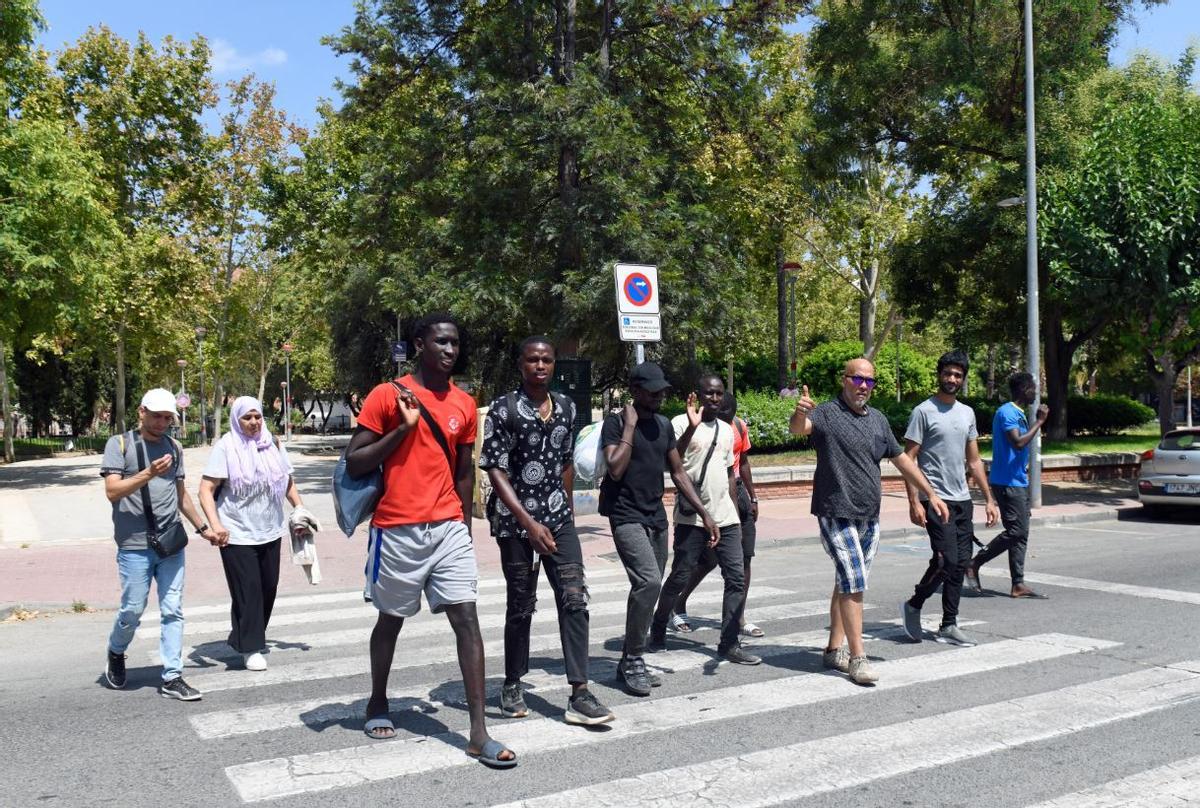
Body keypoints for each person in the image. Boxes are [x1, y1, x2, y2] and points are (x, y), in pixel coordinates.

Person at [344, 312, 516, 768]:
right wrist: (402, 429)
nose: (449, 350)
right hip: (396, 529)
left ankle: (479, 732)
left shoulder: (464, 403)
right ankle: (377, 700)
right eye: (441, 342)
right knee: (391, 620)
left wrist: (463, 523)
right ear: (419, 344)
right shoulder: (388, 394)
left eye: (455, 343)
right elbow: (357, 460)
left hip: (447, 529)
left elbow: (462, 469)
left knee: (467, 619)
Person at [479, 336, 614, 726]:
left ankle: (580, 692)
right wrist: (528, 523)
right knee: (521, 604)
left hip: (557, 518)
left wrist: (566, 513)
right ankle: (511, 683)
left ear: (554, 365)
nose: (540, 366)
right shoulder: (503, 410)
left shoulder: (568, 407)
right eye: (533, 360)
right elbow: (495, 469)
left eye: (547, 360)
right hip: (515, 523)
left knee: (575, 597)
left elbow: (566, 463)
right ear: (520, 364)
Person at [790, 359, 948, 685]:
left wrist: (930, 494)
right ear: (844, 380)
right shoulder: (827, 413)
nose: (863, 386)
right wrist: (801, 411)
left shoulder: (877, 420)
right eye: (857, 379)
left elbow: (902, 459)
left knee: (847, 581)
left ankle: (834, 649)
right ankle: (857, 658)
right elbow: (798, 429)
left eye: (869, 381)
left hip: (869, 516)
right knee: (855, 581)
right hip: (835, 512)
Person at [600, 361, 717, 696]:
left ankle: (628, 660)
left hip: (655, 515)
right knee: (648, 581)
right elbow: (616, 469)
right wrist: (629, 428)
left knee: (647, 587)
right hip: (625, 515)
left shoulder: (665, 425)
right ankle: (635, 658)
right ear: (635, 391)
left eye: (662, 391)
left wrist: (704, 513)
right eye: (652, 391)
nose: (659, 396)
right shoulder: (617, 423)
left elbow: (678, 473)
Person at [100, 388, 214, 700]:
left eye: (168, 417)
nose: (163, 422)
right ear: (142, 412)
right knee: (133, 608)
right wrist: (148, 473)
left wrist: (204, 528)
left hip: (170, 542)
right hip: (134, 545)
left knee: (173, 609)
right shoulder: (119, 445)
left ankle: (172, 676)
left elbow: (181, 495)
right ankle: (116, 650)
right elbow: (112, 491)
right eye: (157, 416)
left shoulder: (173, 447)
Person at [648, 376, 759, 665]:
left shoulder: (727, 430)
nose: (713, 398)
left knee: (735, 578)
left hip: (726, 517)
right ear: (697, 395)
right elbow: (671, 463)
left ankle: (729, 643)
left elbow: (728, 474)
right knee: (680, 576)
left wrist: (735, 512)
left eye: (718, 393)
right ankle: (658, 626)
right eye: (708, 393)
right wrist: (692, 427)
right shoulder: (679, 424)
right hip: (691, 518)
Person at [198, 396, 312, 672]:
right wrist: (216, 525)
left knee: (268, 588)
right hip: (236, 532)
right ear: (236, 420)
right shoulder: (226, 447)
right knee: (248, 591)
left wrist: (300, 509)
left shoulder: (271, 443)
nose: (253, 423)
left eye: (257, 417)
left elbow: (286, 480)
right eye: (246, 418)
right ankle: (251, 647)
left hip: (270, 529)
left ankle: (242, 636)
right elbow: (205, 490)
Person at [899, 350, 999, 647]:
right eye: (948, 373)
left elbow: (975, 461)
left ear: (962, 379)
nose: (952, 379)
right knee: (946, 561)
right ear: (939, 375)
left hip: (962, 500)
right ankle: (915, 604)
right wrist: (914, 501)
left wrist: (989, 499)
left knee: (961, 564)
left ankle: (948, 624)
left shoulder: (967, 413)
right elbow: (908, 459)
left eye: (958, 375)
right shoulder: (923, 411)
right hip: (935, 499)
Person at [671, 393, 762, 637]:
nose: (724, 421)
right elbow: (676, 465)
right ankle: (674, 605)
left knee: (743, 561)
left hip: (734, 497)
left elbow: (741, 463)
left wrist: (752, 498)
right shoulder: (692, 425)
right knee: (704, 561)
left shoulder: (737, 428)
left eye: (728, 416)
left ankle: (737, 620)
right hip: (702, 498)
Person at [966, 373, 1050, 598]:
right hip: (1006, 481)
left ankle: (1018, 584)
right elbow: (1018, 442)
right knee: (1016, 530)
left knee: (1022, 533)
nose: (1036, 392)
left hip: (1017, 481)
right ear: (1024, 389)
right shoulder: (1007, 412)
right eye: (1033, 388)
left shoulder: (1018, 413)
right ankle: (974, 563)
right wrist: (1040, 421)